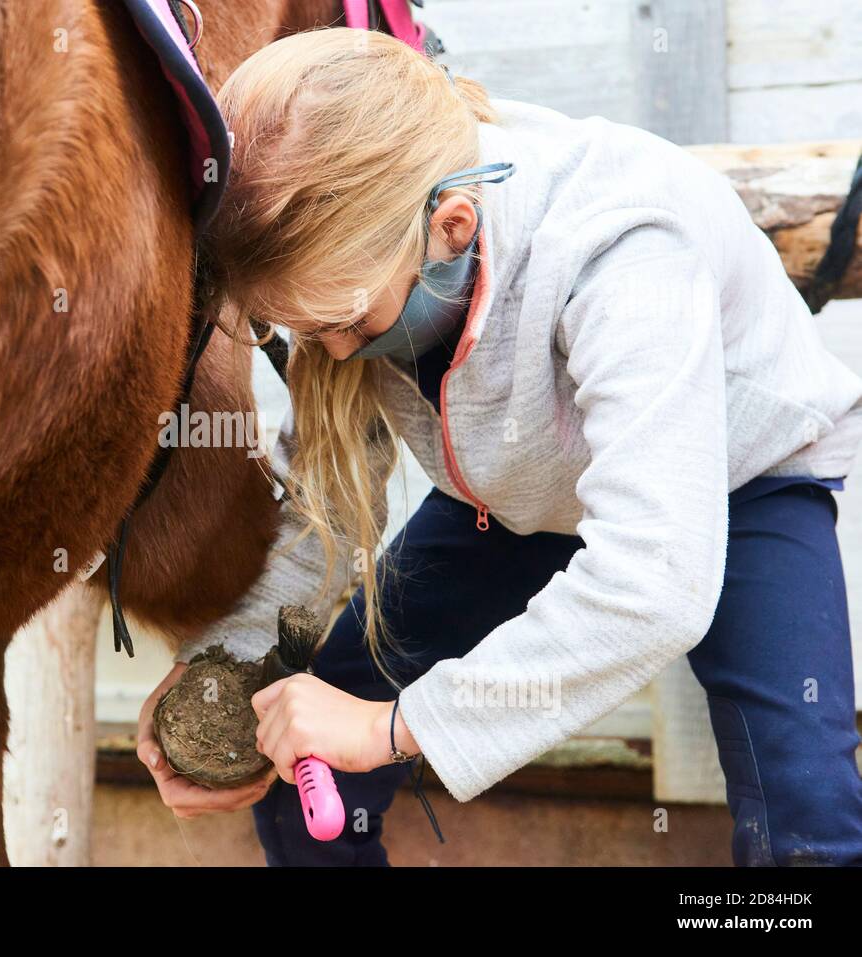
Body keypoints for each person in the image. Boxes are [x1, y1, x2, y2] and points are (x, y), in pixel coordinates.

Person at [136, 27, 862, 866]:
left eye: (347, 323)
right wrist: (220, 672)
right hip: (511, 497)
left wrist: (392, 725)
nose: (334, 353)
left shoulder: (623, 254)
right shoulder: (372, 260)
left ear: (453, 224)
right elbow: (324, 517)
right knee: (307, 792)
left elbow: (654, 581)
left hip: (743, 478)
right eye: (306, 329)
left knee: (804, 828)